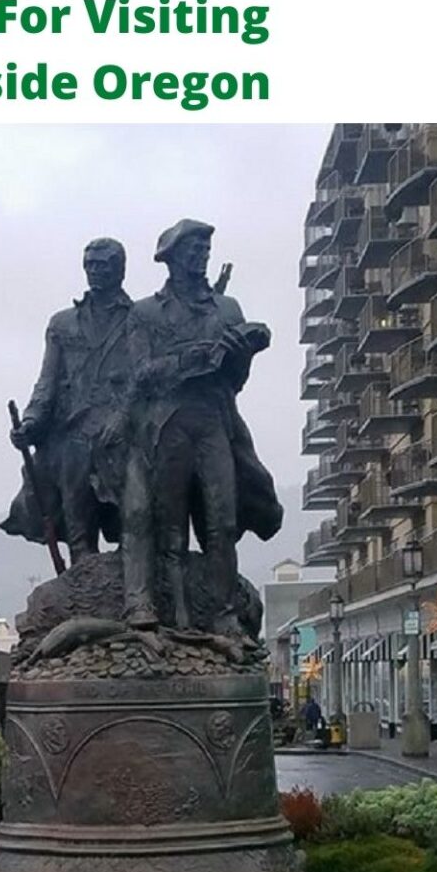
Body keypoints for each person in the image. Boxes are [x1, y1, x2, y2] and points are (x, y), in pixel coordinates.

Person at [121, 219, 282, 630]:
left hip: (214, 424)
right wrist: (195, 357)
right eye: (193, 250)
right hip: (167, 426)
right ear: (171, 257)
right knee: (170, 530)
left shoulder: (227, 309)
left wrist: (242, 353)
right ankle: (176, 615)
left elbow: (236, 383)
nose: (201, 257)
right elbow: (139, 375)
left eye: (205, 250)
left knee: (222, 524)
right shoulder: (144, 313)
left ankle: (223, 615)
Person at [1, 238, 132, 564]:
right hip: (75, 428)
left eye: (103, 265)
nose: (95, 272)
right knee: (73, 475)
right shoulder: (62, 324)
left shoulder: (139, 319)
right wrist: (30, 423)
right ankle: (82, 569)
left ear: (120, 269)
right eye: (90, 265)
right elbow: (47, 383)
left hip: (123, 424)